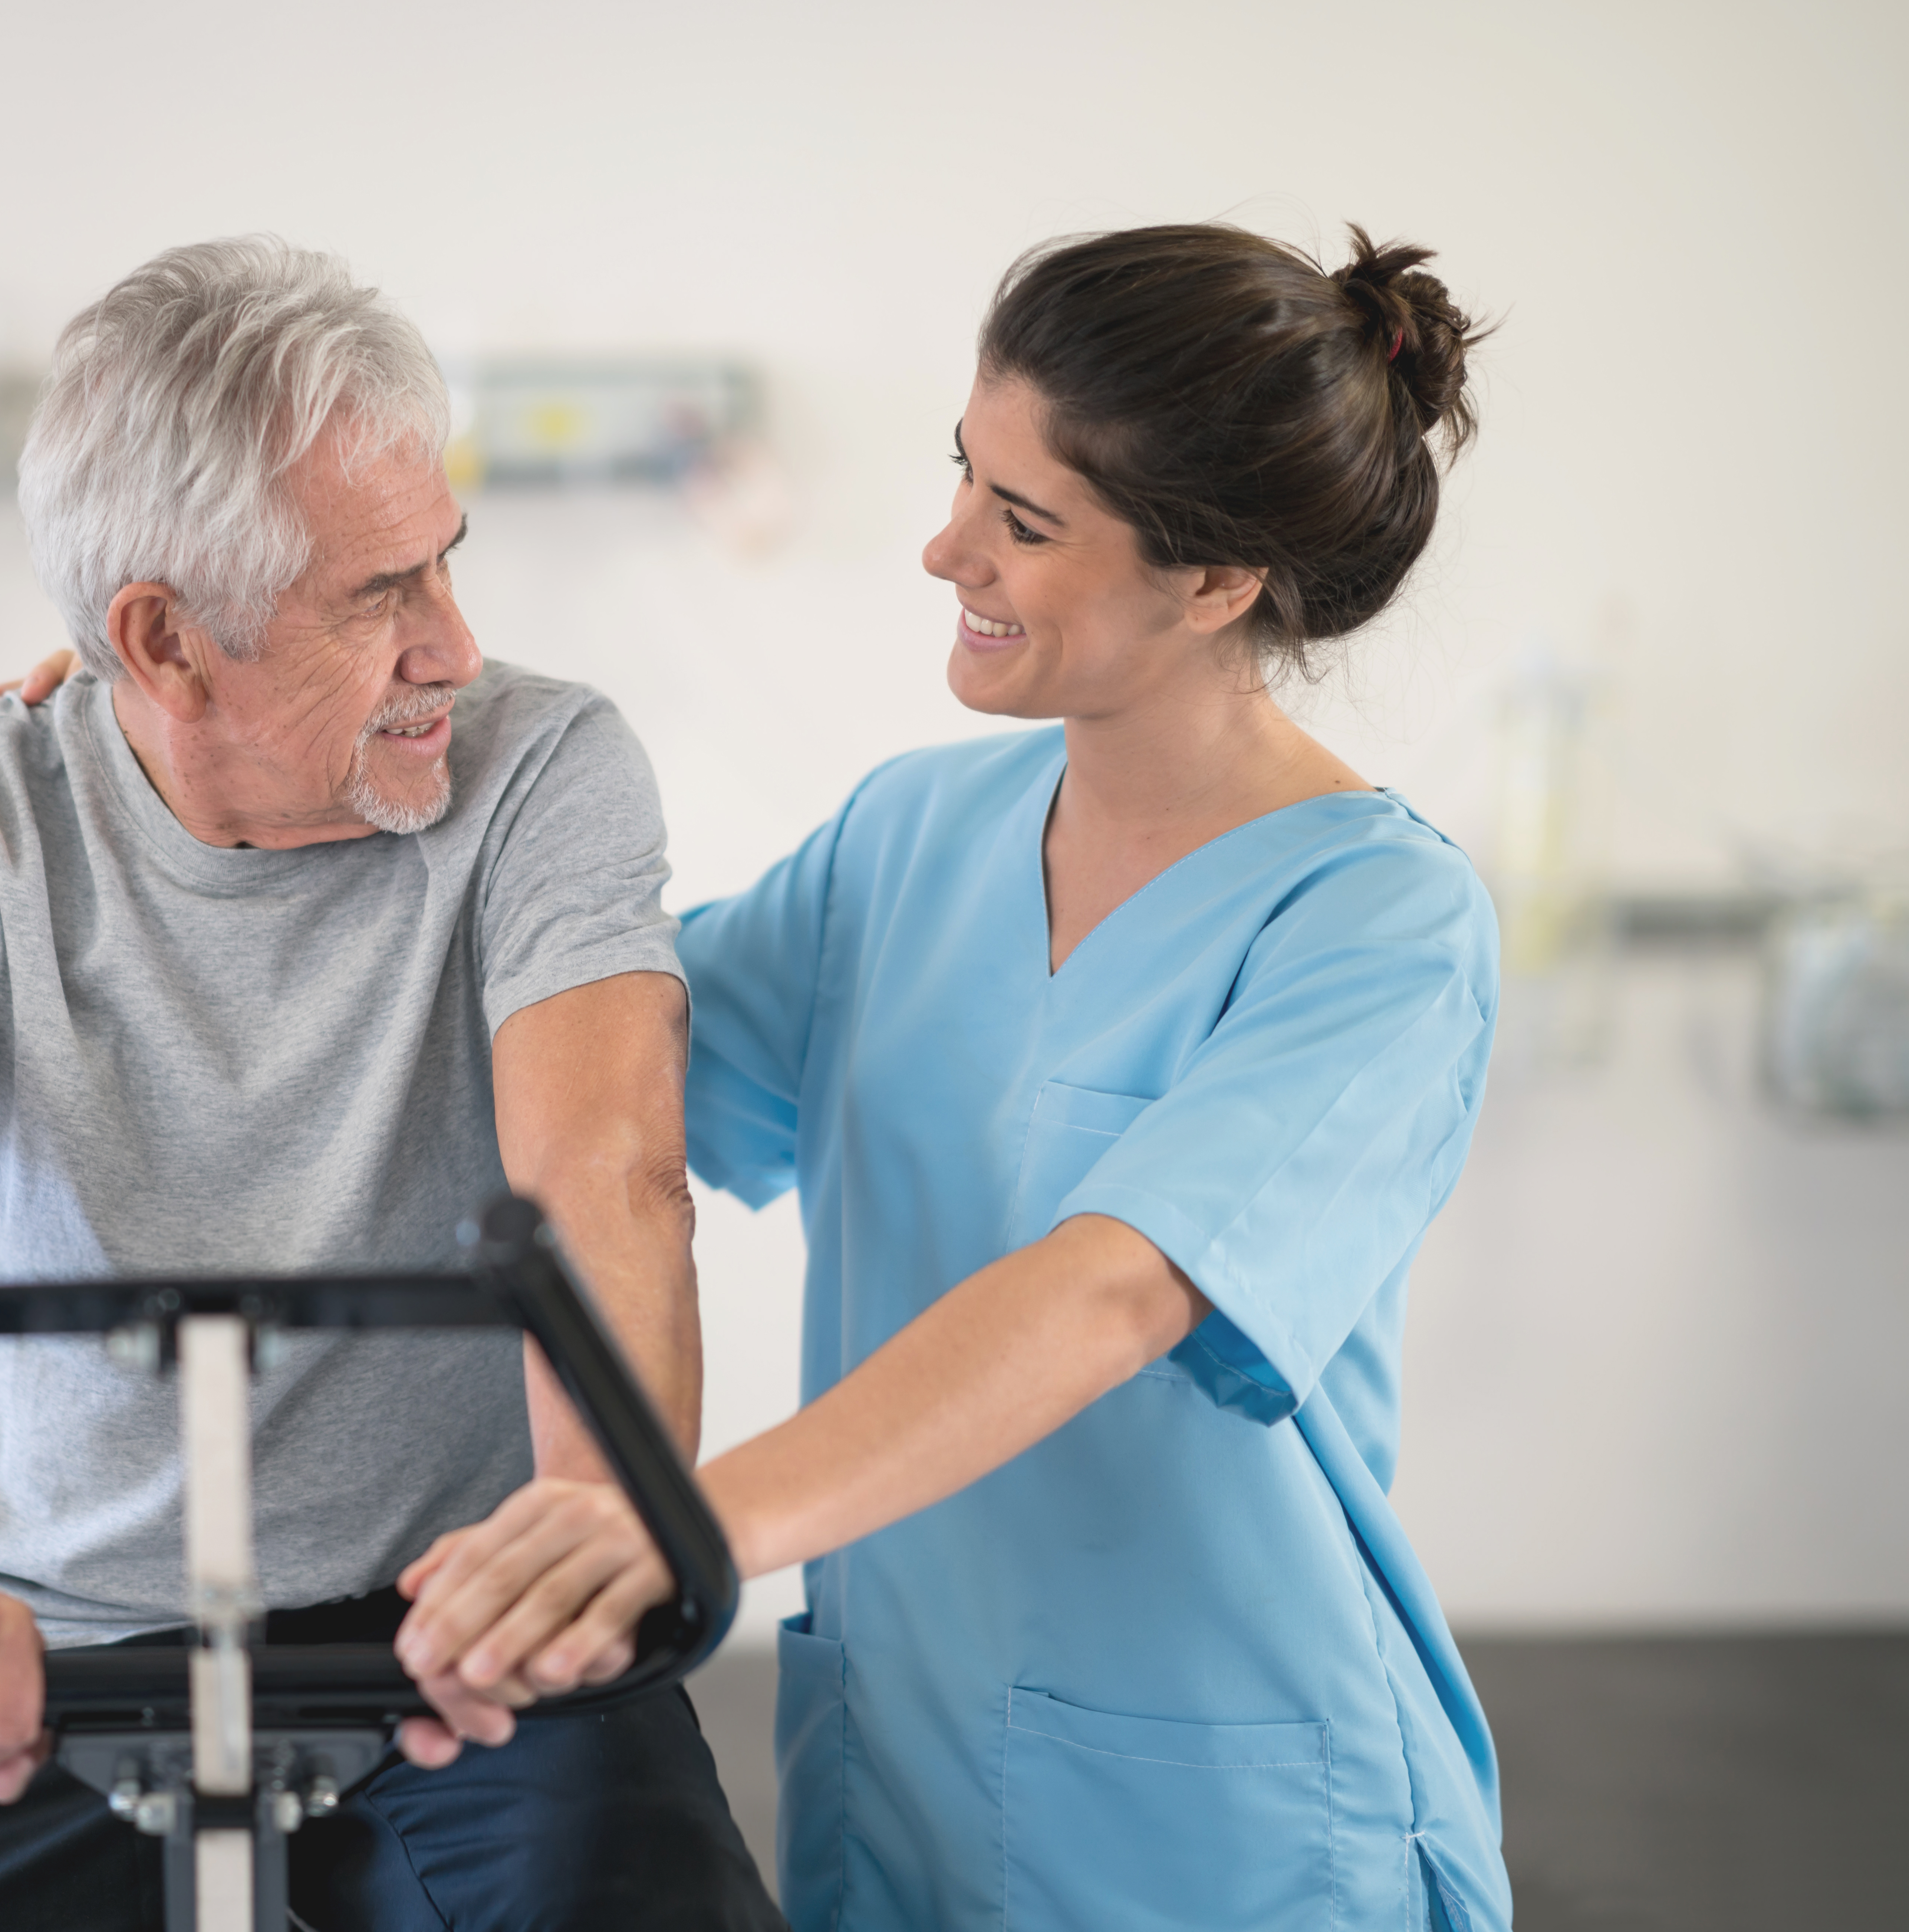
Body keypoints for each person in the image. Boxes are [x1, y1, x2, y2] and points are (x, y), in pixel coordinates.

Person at [392, 224, 1515, 1931]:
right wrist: (155, 762)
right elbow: (571, 1059)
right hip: (906, 1791)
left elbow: (1109, 1290)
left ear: (1213, 584)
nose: (943, 548)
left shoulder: (1375, 925)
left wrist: (681, 1527)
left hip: (1229, 1827)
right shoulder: (905, 842)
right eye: (961, 474)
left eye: (1024, 521)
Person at [0, 237, 780, 1932]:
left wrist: (589, 1529)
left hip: (460, 1609)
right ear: (162, 640)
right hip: (48, 1638)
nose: (454, 647)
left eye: (444, 565)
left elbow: (608, 1174)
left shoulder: (543, 768)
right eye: (378, 598)